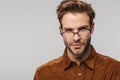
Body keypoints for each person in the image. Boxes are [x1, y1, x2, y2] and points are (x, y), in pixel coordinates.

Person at [34, 0, 120, 80]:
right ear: (61, 30)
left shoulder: (115, 69)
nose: (76, 38)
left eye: (82, 29)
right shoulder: (43, 73)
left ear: (92, 27)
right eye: (69, 30)